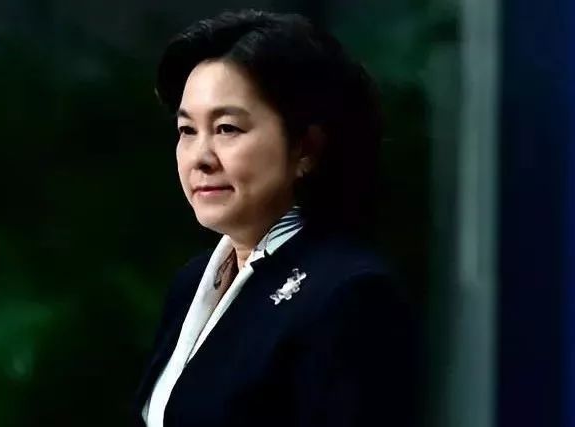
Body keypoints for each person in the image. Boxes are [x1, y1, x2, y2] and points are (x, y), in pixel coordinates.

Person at [131, 9, 420, 427]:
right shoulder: (191, 284)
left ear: (306, 147)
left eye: (227, 128)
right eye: (187, 130)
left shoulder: (350, 293)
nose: (200, 158)